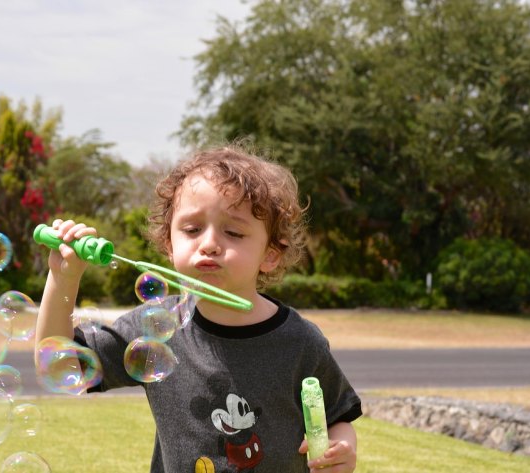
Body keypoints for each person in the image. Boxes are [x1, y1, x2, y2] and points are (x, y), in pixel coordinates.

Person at [36, 145, 362, 472]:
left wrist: (341, 450)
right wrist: (63, 279)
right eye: (191, 230)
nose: (208, 244)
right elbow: (60, 367)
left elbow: (338, 416)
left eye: (233, 232)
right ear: (169, 243)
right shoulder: (154, 328)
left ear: (271, 254)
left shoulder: (300, 342)